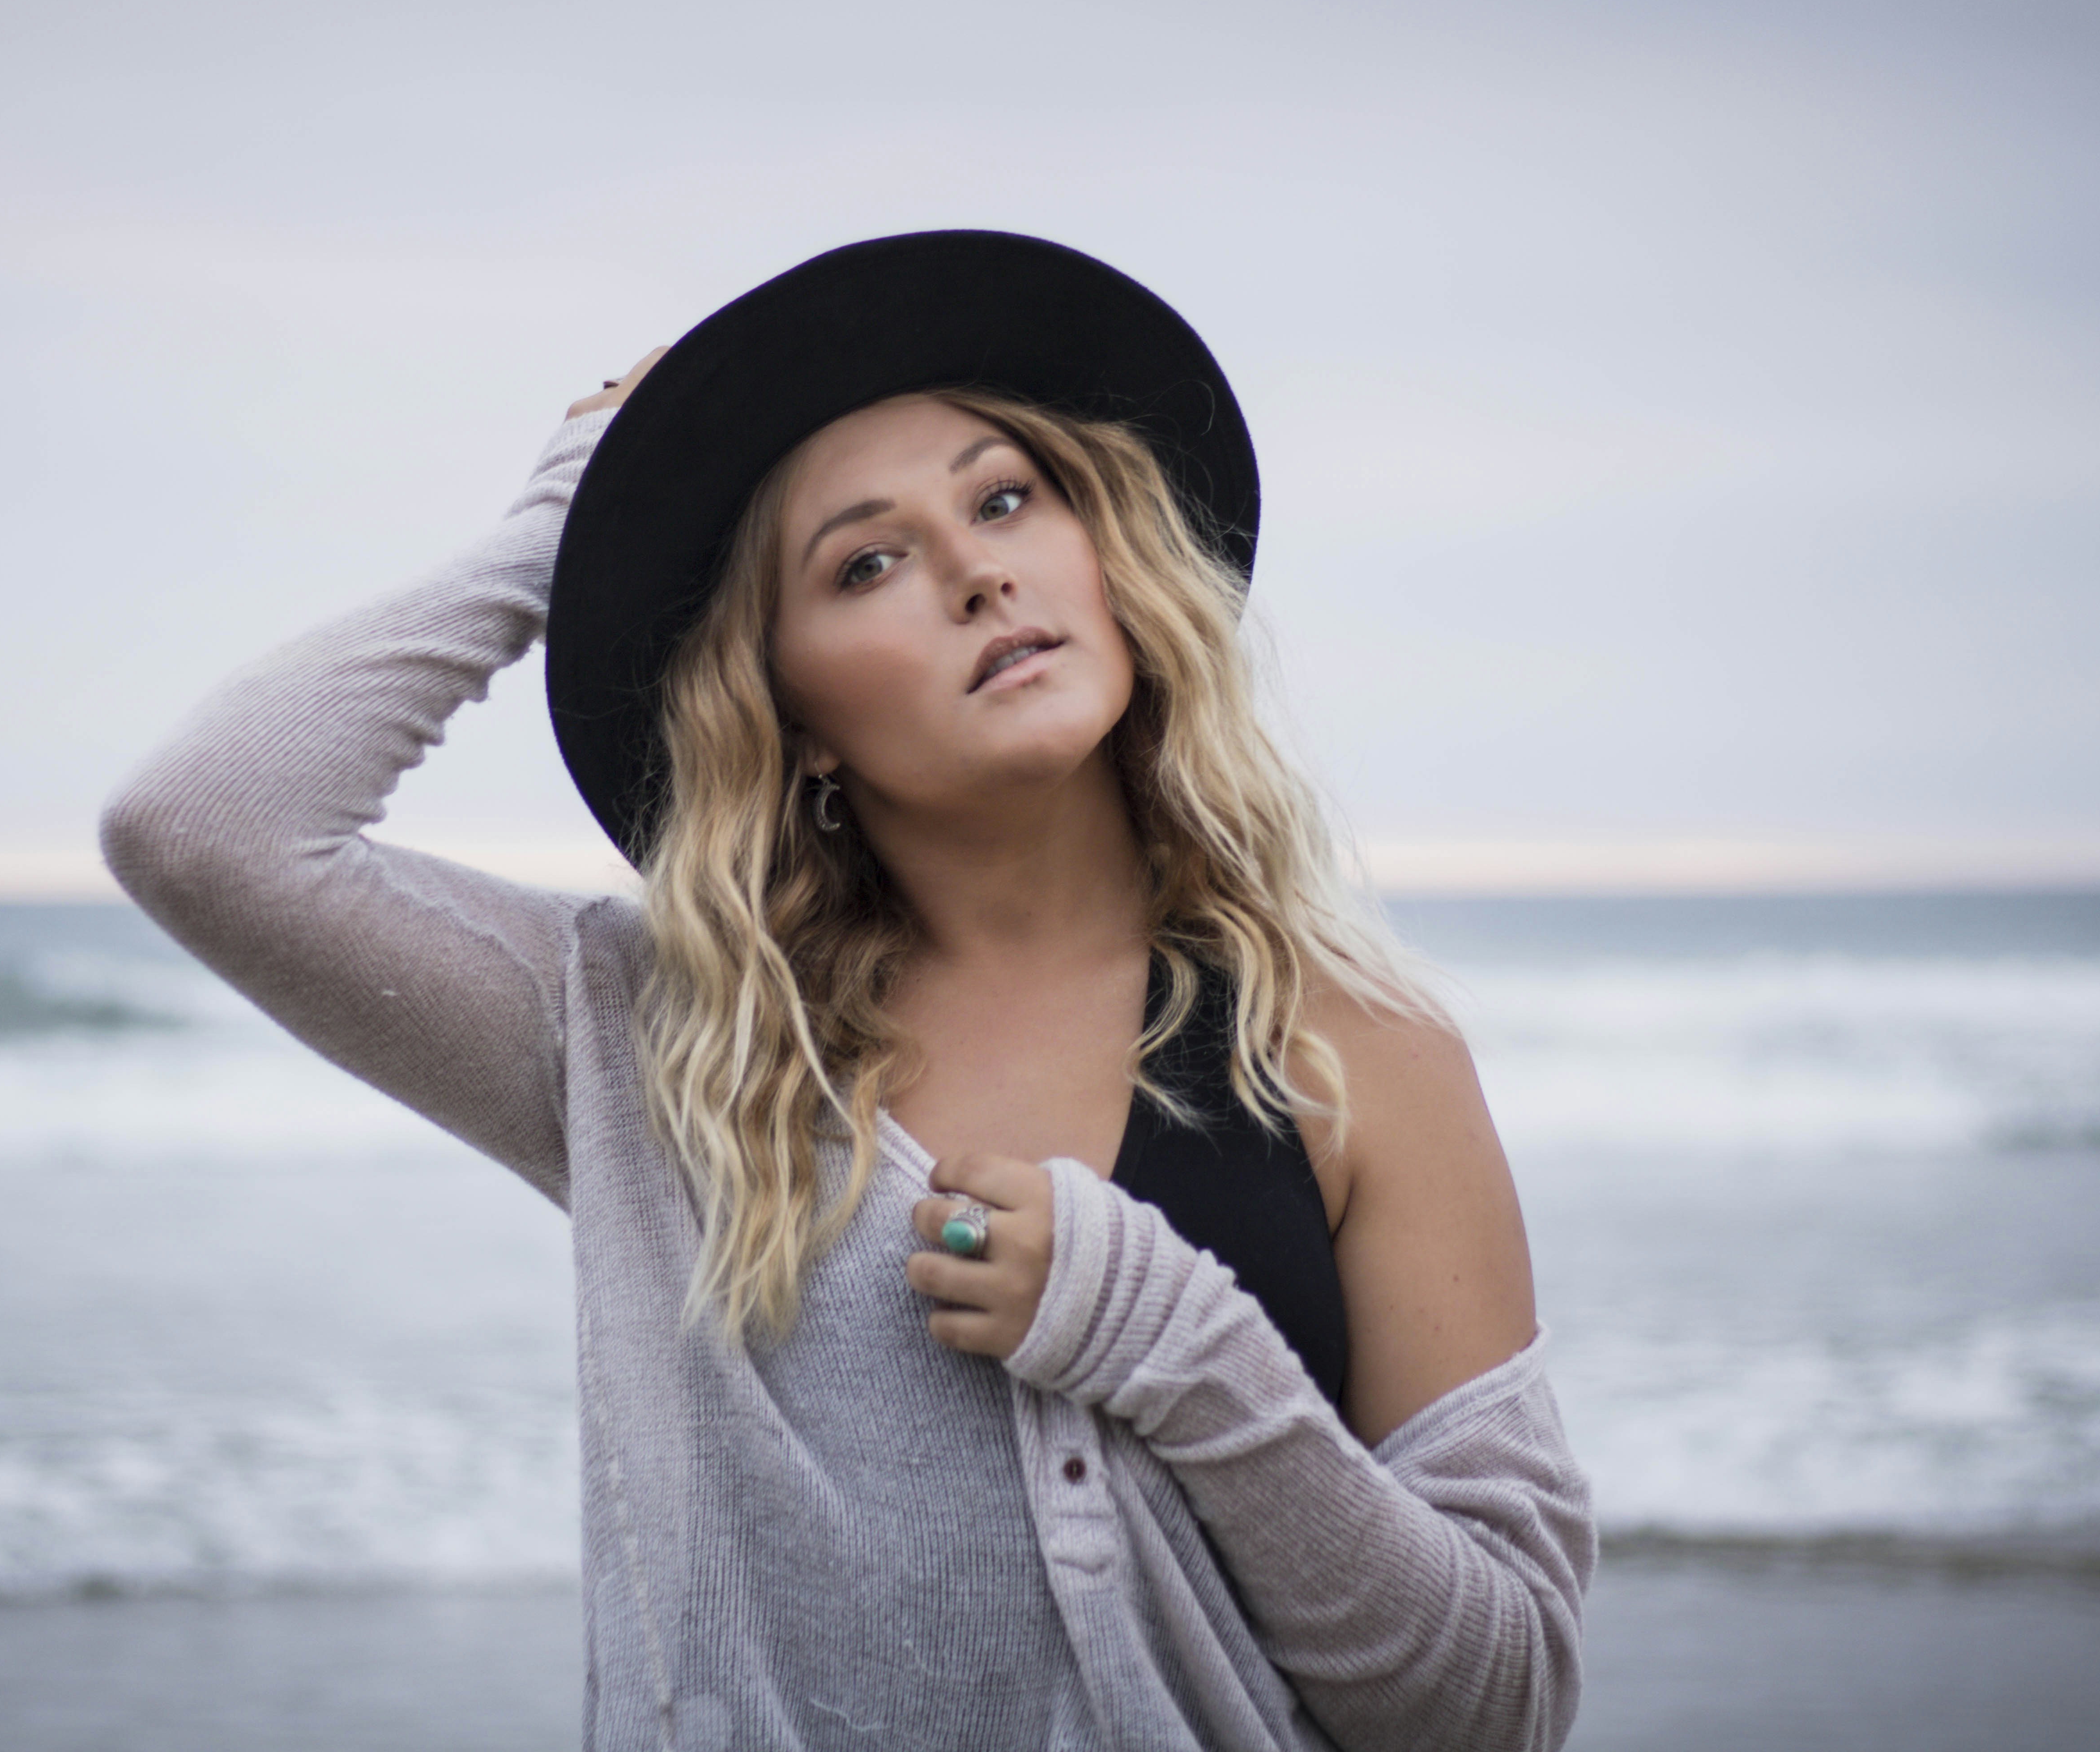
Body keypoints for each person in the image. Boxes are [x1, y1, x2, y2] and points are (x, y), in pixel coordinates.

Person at [102, 230, 1592, 1751]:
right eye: (866, 563)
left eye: (1005, 496)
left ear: (1107, 549)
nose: (975, 570)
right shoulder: (660, 1049)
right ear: (789, 710)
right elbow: (203, 827)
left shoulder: (1350, 1050)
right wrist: (560, 527)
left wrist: (1171, 1344)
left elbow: (1495, 1706)